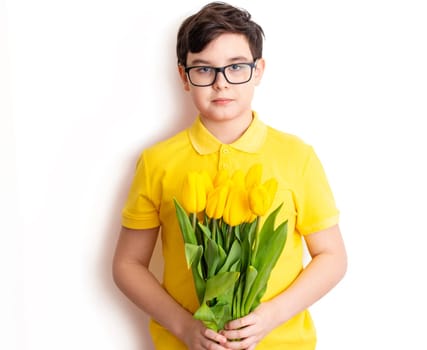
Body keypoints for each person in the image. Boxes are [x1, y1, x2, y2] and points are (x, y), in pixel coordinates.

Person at [112, 2, 347, 349]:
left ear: (259, 70)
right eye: (204, 70)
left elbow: (333, 256)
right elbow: (128, 264)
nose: (221, 83)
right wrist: (183, 327)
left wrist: (272, 315)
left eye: (236, 67)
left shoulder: (296, 157)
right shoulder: (157, 161)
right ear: (183, 76)